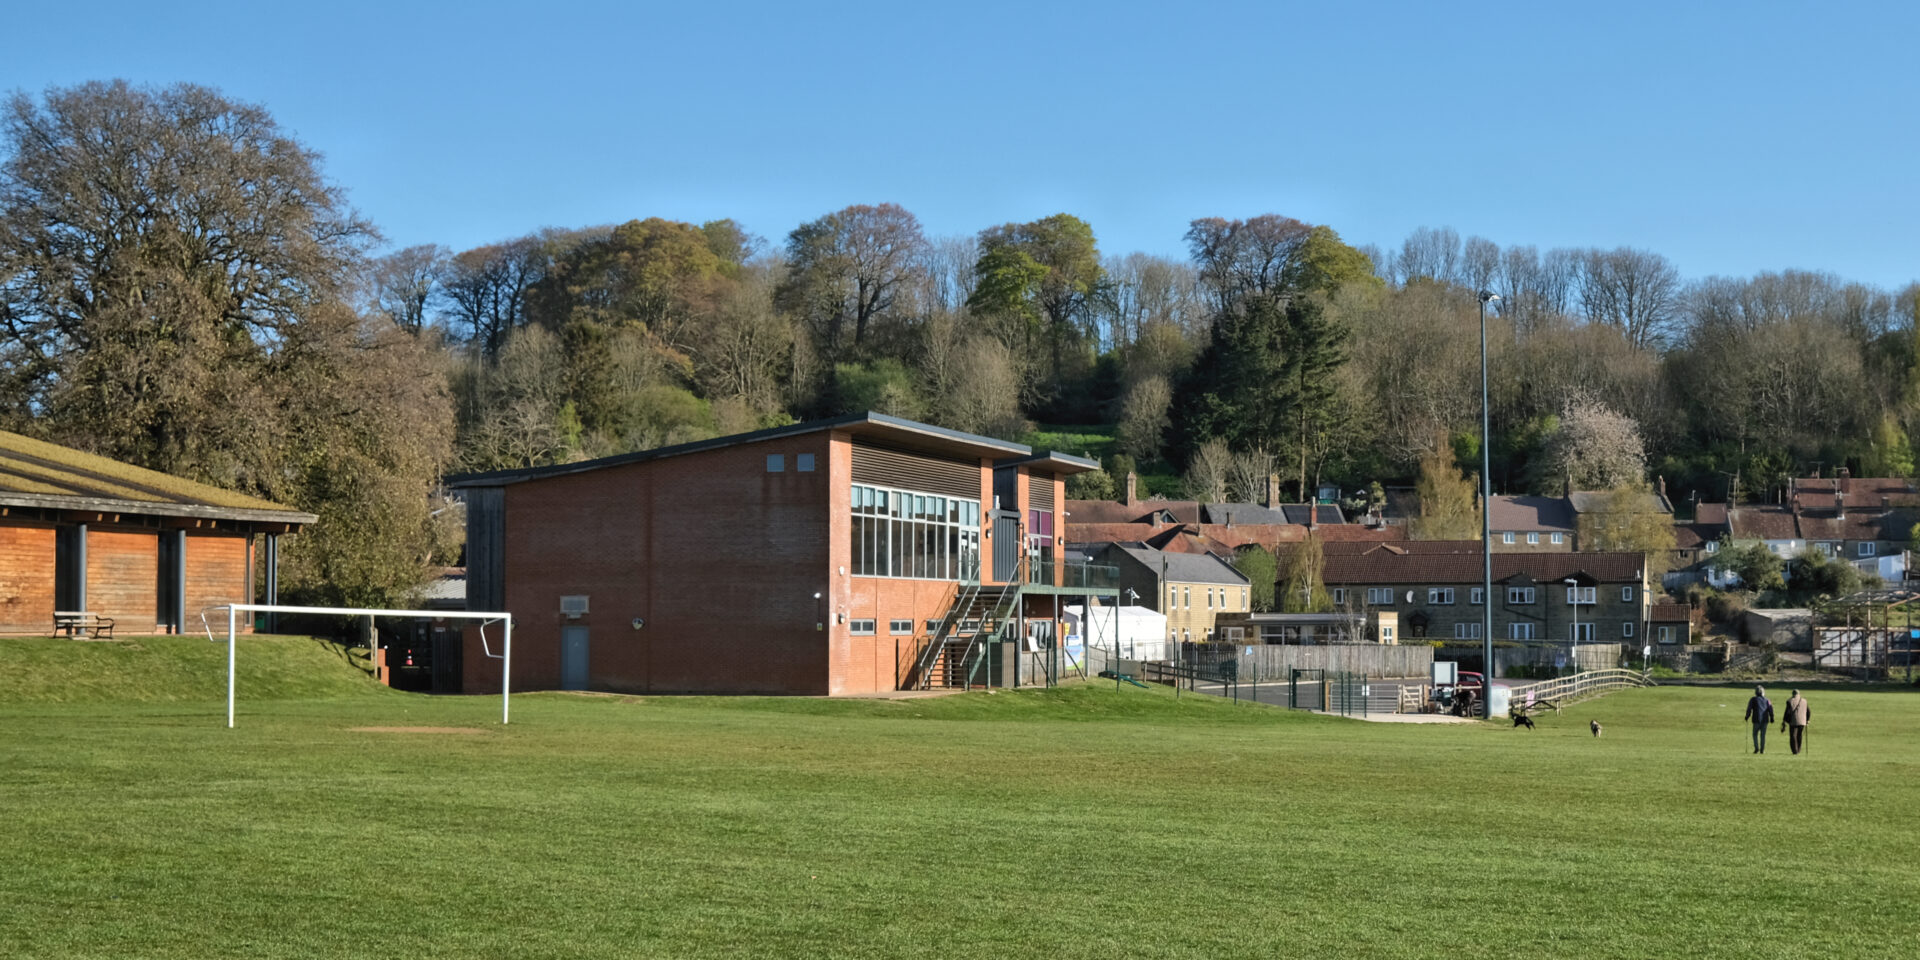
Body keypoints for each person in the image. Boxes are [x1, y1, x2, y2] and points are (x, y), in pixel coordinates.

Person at [1744, 684, 1775, 754]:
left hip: (1756, 719)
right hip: (1765, 720)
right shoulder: (1767, 700)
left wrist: (1747, 716)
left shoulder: (1753, 699)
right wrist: (1772, 717)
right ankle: (1762, 750)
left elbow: (1749, 709)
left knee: (1755, 734)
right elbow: (1770, 709)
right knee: (1763, 735)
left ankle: (1756, 748)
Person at [1782, 688, 1811, 755]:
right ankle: (1799, 749)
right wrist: (1807, 720)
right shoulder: (1804, 701)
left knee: (1793, 736)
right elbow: (1808, 711)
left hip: (1793, 721)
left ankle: (1795, 751)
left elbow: (1787, 712)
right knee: (1799, 735)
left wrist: (1784, 721)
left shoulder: (1790, 701)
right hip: (1802, 721)